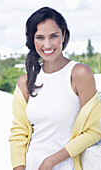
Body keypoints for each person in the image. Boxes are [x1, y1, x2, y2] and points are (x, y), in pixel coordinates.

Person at [9, 7, 101, 170]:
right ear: (32, 40)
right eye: (40, 37)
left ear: (64, 35)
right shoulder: (25, 82)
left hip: (64, 165)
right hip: (31, 165)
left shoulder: (79, 74)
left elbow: (93, 131)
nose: (47, 44)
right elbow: (18, 134)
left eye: (54, 36)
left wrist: (51, 161)